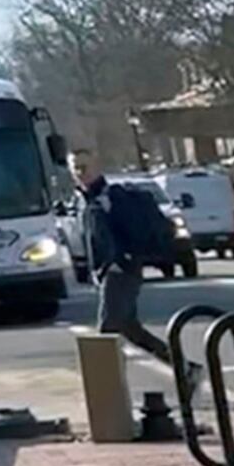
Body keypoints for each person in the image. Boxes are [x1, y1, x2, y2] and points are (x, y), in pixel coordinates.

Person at [71, 155, 173, 366]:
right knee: (130, 329)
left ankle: (108, 389)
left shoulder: (111, 198)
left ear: (97, 168)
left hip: (120, 271)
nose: (80, 173)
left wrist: (118, 259)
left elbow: (127, 232)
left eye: (84, 167)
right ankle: (185, 370)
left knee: (107, 333)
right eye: (75, 169)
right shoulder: (88, 199)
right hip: (110, 271)